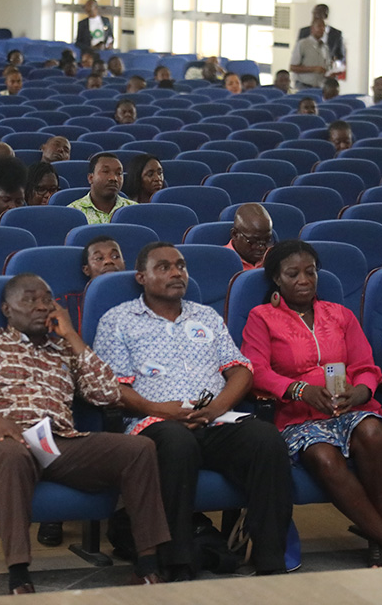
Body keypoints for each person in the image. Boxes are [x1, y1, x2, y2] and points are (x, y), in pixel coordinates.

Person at [0, 273, 170, 593]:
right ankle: (19, 574)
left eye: (47, 299)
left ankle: (147, 567)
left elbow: (106, 393)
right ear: (7, 309)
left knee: (140, 448)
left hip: (57, 442)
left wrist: (72, 336)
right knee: (14, 455)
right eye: (29, 300)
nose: (41, 306)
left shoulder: (63, 349)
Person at [94, 242, 293, 579]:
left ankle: (271, 559)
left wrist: (217, 406)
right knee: (177, 443)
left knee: (266, 439)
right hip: (153, 420)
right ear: (141, 276)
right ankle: (178, 563)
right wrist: (161, 410)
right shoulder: (118, 321)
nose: (176, 273)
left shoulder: (207, 316)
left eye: (181, 266)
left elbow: (241, 369)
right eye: (164, 267)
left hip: (214, 418)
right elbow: (113, 388)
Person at [241, 241, 382, 567]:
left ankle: (376, 537)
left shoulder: (340, 315)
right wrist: (299, 391)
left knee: (372, 432)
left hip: (349, 408)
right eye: (293, 274)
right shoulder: (262, 317)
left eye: (310, 272)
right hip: (297, 418)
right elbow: (256, 371)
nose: (304, 280)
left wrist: (361, 392)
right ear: (277, 280)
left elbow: (366, 367)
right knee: (323, 455)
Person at [68, 153, 135, 224]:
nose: (113, 178)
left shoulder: (133, 210)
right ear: (91, 178)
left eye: (119, 173)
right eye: (105, 171)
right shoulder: (73, 212)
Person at [225, 203, 274, 270]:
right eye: (253, 241)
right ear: (235, 234)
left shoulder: (275, 258)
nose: (262, 248)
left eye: (267, 240)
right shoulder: (221, 260)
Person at [290, 18, 332, 89]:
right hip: (303, 85)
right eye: (319, 26)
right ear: (312, 28)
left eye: (324, 27)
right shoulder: (303, 44)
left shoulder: (325, 47)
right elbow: (292, 67)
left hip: (320, 86)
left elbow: (326, 66)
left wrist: (329, 72)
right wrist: (313, 69)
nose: (322, 29)